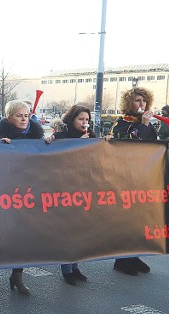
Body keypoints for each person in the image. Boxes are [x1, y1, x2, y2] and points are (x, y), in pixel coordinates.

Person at [0, 100, 51, 294]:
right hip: (5, 191)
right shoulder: (1, 138)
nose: (24, 119)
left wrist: (48, 144)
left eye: (26, 116)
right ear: (10, 118)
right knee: (1, 233)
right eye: (19, 116)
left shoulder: (35, 136)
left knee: (23, 235)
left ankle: (17, 275)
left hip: (27, 191)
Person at [107, 87, 157, 276]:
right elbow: (128, 144)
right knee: (126, 220)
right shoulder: (120, 123)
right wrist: (144, 125)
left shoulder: (146, 123)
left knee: (139, 220)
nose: (142, 104)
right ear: (129, 103)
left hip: (142, 177)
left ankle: (133, 255)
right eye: (137, 100)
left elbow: (151, 147)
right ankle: (121, 260)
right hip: (125, 178)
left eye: (144, 101)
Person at [49, 103, 95, 285]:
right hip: (64, 188)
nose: (85, 123)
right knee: (67, 231)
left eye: (87, 120)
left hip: (83, 187)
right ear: (72, 119)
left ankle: (75, 266)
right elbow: (57, 161)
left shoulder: (90, 136)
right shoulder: (61, 136)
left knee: (80, 230)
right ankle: (66, 269)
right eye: (81, 119)